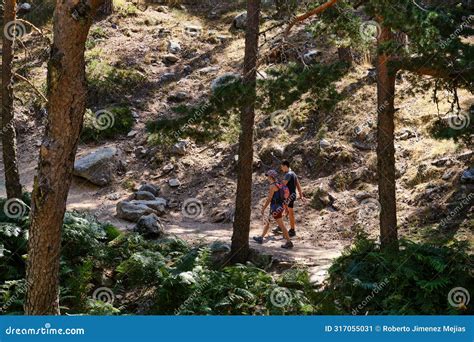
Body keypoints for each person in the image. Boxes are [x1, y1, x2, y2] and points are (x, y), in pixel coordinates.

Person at [253, 169, 293, 249]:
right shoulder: (279, 184)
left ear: (271, 177)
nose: (267, 177)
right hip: (279, 206)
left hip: (275, 207)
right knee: (268, 222)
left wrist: (263, 208)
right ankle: (261, 237)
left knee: (281, 225)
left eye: (267, 176)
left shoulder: (272, 186)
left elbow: (269, 199)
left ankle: (289, 242)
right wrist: (285, 207)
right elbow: (282, 197)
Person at [273, 160, 305, 237]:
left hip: (288, 196)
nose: (281, 169)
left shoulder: (288, 175)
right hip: (291, 196)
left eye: (282, 167)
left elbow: (282, 185)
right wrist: (301, 195)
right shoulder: (293, 174)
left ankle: (292, 230)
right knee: (286, 211)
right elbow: (298, 185)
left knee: (289, 212)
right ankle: (281, 227)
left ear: (285, 166)